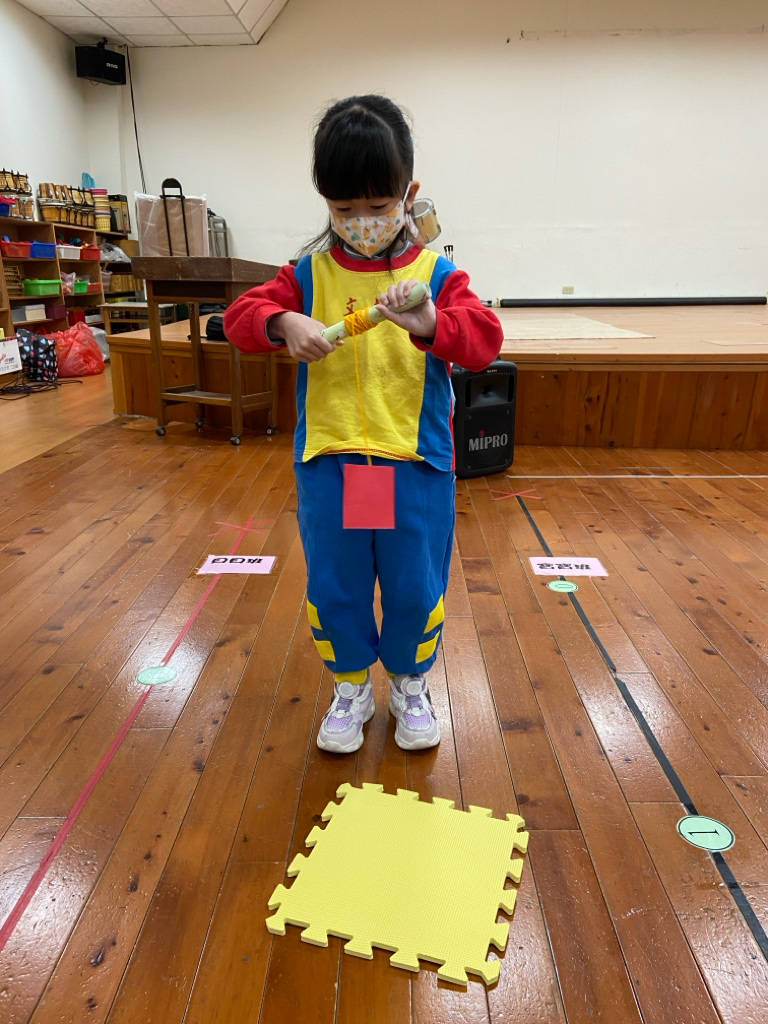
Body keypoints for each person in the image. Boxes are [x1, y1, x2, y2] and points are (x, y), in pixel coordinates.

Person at [224, 95, 502, 755]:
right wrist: (281, 321)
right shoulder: (307, 274)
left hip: (415, 465)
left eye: (377, 206)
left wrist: (432, 324)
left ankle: (409, 682)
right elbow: (239, 318)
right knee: (337, 584)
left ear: (409, 195)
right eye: (344, 209)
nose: (361, 222)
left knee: (414, 585)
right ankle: (350, 686)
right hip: (332, 464)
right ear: (325, 202)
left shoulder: (436, 274)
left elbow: (484, 340)